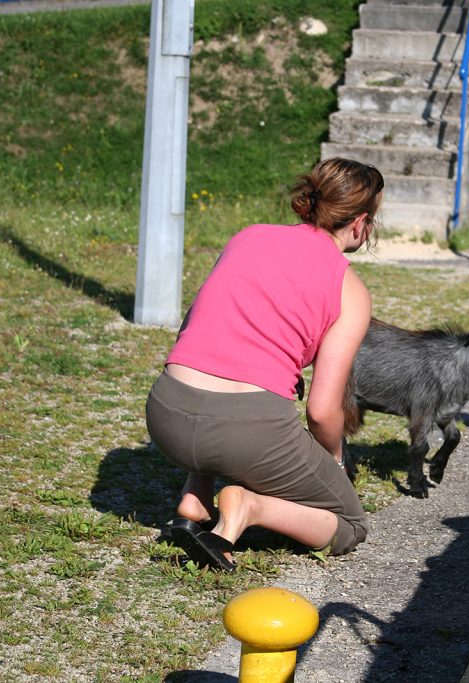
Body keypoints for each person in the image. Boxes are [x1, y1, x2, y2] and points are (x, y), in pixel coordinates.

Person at [144, 157, 383, 571]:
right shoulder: (351, 290)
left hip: (167, 414)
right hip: (245, 434)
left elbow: (195, 327)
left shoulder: (247, 236)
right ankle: (248, 507)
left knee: (236, 379)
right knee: (350, 524)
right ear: (361, 223)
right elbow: (323, 411)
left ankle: (194, 496)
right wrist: (334, 463)